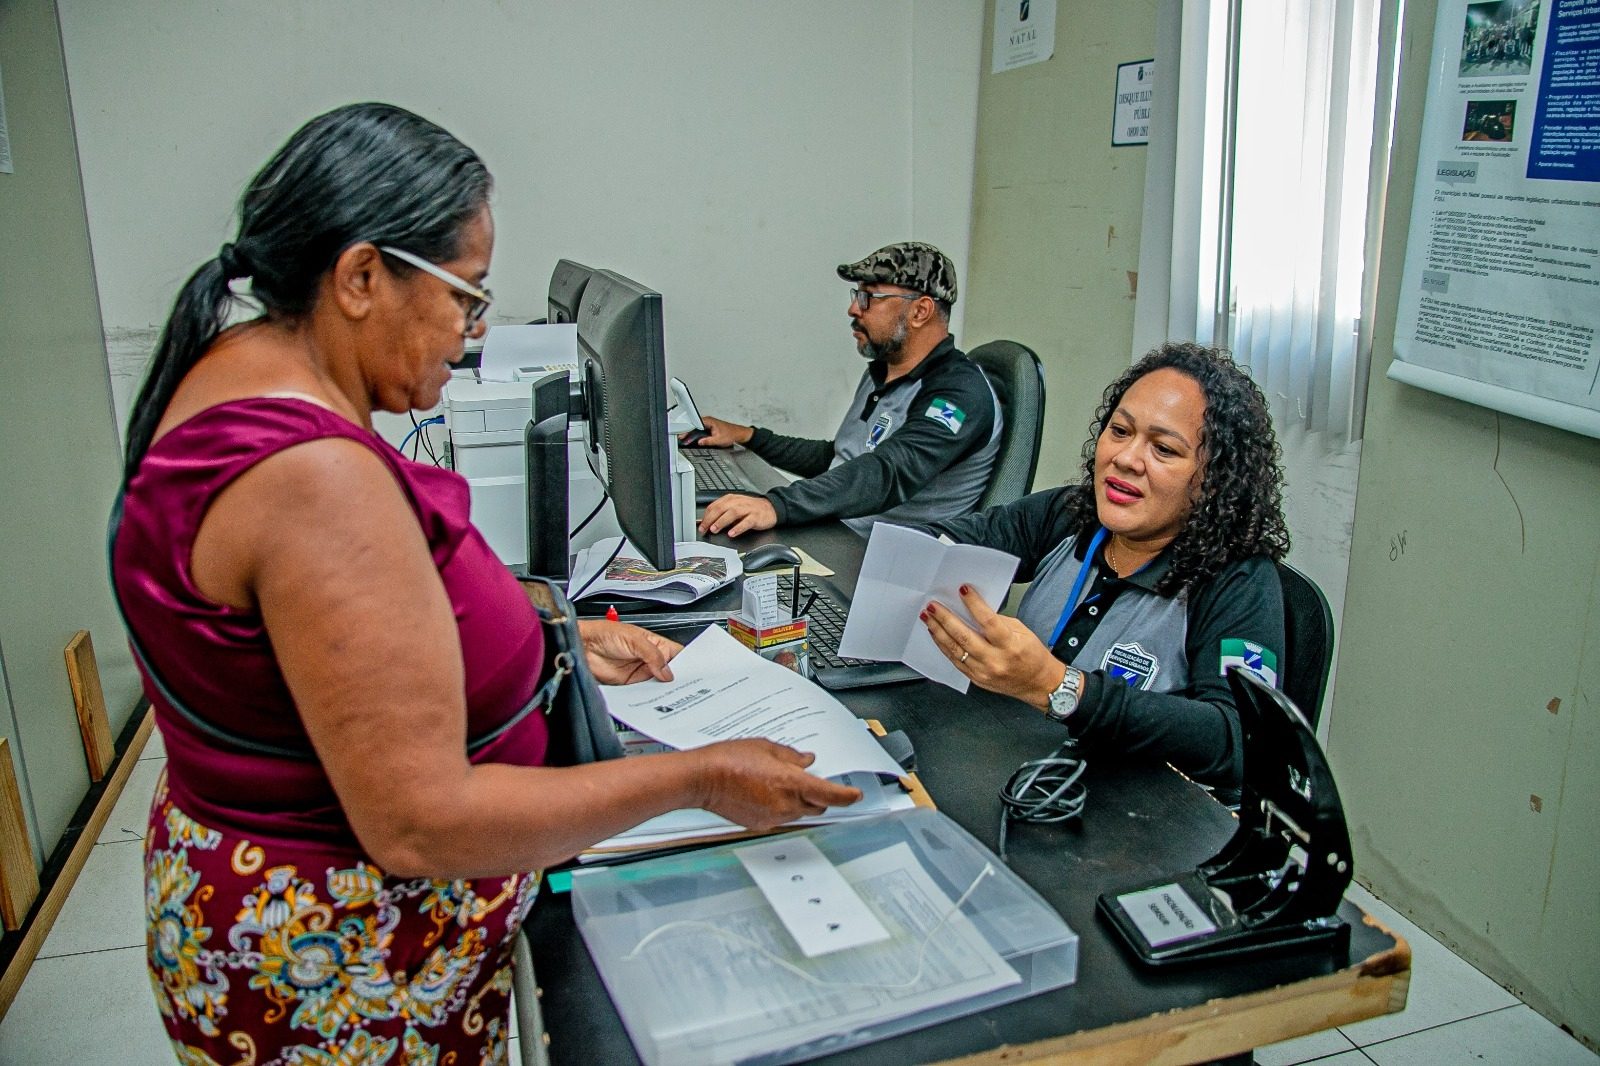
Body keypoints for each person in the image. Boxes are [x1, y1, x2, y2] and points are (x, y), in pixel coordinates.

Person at [113, 103, 860, 1065]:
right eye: (465, 299)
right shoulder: (315, 477)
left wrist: (547, 639)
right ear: (360, 276)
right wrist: (700, 778)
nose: (470, 337)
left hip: (256, 898)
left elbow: (310, 653)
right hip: (339, 959)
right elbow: (420, 825)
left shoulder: (232, 372)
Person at [918, 343, 1289, 789]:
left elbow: (1241, 741)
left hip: (1140, 822)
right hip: (1029, 775)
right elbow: (945, 541)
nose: (1127, 459)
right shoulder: (1071, 513)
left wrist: (1060, 686)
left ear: (1214, 479)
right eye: (1120, 431)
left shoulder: (1238, 578)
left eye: (1164, 450)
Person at [694, 241, 1001, 538]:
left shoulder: (960, 395)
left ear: (920, 311)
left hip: (891, 568)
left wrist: (778, 505)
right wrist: (748, 436)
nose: (854, 309)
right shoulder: (884, 370)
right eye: (857, 295)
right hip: (842, 538)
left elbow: (888, 474)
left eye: (869, 297)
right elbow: (841, 458)